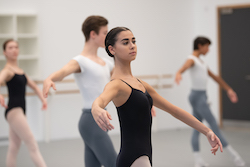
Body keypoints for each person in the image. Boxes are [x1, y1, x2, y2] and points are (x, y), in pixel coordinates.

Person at [91, 27, 223, 167]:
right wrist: (96, 108)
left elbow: (174, 110)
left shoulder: (141, 84)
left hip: (143, 155)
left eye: (133, 41)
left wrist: (207, 131)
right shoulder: (116, 84)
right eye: (125, 42)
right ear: (112, 50)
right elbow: (101, 100)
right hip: (134, 158)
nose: (132, 46)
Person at [43, 15, 117, 167]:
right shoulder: (80, 61)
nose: (107, 36)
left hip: (101, 118)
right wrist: (50, 78)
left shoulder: (107, 63)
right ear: (93, 34)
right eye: (105, 33)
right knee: (114, 163)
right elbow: (63, 72)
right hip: (91, 120)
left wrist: (145, 100)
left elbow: (126, 82)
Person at [175, 37, 245, 167]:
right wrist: (179, 72)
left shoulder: (202, 63)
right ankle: (235, 157)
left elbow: (215, 77)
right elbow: (185, 66)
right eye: (207, 46)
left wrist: (228, 89)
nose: (209, 49)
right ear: (200, 46)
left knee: (197, 128)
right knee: (214, 125)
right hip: (197, 97)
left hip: (201, 97)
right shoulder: (192, 59)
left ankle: (198, 160)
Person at [0, 39, 47, 167]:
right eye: (10, 48)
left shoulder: (20, 71)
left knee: (14, 147)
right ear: (5, 52)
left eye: (16, 47)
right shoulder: (7, 70)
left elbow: (35, 87)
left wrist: (43, 100)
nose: (14, 50)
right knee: (32, 143)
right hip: (14, 111)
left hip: (19, 111)